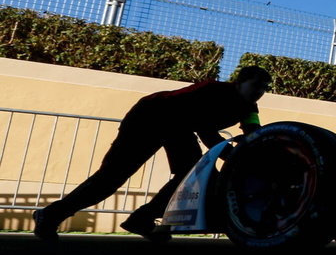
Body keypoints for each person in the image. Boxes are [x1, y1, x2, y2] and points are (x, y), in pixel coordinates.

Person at [33, 66, 271, 242]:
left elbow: (254, 133)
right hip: (149, 117)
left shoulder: (250, 107)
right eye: (255, 85)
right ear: (239, 82)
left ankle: (142, 219)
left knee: (189, 175)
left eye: (263, 88)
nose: (259, 92)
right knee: (112, 177)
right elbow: (205, 130)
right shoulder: (213, 90)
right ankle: (50, 215)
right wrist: (230, 154)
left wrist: (250, 152)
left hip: (178, 127)